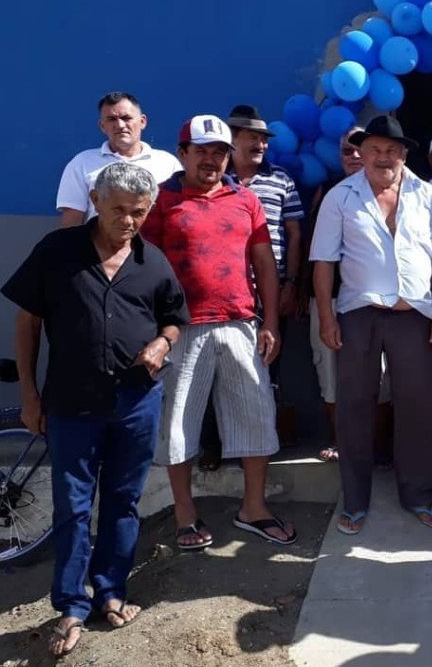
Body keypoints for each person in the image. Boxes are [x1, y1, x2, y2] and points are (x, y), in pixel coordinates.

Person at [2, 163, 188, 657]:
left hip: (136, 402)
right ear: (96, 201)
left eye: (138, 212)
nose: (128, 221)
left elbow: (175, 319)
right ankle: (70, 604)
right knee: (73, 505)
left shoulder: (153, 261)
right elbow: (27, 323)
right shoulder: (57, 251)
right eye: (118, 209)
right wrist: (29, 394)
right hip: (71, 403)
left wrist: (162, 344)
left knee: (124, 501)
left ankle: (111, 591)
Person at [142, 114, 295, 549]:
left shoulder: (245, 199)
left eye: (219, 152)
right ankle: (185, 515)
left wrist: (269, 322)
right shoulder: (161, 200)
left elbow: (264, 264)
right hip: (181, 330)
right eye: (201, 150)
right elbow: (144, 266)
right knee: (178, 424)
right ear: (183, 153)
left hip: (240, 323)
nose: (211, 159)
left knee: (256, 417)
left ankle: (254, 509)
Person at [310, 115, 432, 535]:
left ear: (404, 154)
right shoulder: (340, 196)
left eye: (392, 150)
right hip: (359, 312)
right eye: (374, 149)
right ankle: (355, 500)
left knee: (419, 407)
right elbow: (323, 262)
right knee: (354, 405)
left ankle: (419, 495)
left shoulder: (428, 197)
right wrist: (326, 317)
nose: (383, 157)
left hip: (414, 314)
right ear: (362, 152)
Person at [198, 105, 305, 470]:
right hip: (223, 291)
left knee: (263, 371)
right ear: (232, 141)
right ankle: (213, 445)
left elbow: (294, 234)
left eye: (263, 139)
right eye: (252, 137)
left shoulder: (282, 179)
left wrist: (291, 284)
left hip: (270, 292)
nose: (260, 144)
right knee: (214, 367)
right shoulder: (214, 180)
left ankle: (254, 449)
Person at [302, 127, 393, 464]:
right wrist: (305, 291)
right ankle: (342, 441)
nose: (354, 156)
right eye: (346, 151)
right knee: (329, 371)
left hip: (375, 300)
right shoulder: (327, 191)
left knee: (380, 374)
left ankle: (376, 445)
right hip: (329, 298)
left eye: (360, 150)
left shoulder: (392, 192)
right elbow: (313, 247)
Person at [56, 91, 182, 226]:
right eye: (111, 119)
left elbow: (180, 214)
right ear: (102, 126)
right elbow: (72, 221)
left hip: (153, 239)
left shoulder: (168, 163)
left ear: (142, 121)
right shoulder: (82, 163)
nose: (120, 125)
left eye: (126, 118)